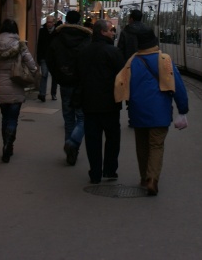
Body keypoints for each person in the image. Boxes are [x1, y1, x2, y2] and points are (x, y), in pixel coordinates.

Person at [115, 26, 188, 196]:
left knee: (141, 146)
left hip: (137, 111)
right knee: (156, 145)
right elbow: (177, 86)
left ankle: (143, 176)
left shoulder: (131, 62)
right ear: (154, 42)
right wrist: (183, 109)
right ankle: (152, 179)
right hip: (159, 111)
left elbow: (122, 84)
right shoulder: (164, 60)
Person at [76, 19, 125, 184]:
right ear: (103, 32)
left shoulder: (83, 51)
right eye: (111, 30)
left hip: (89, 103)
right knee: (112, 138)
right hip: (110, 103)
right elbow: (122, 76)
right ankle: (110, 170)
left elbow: (78, 75)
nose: (113, 32)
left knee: (92, 140)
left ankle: (95, 173)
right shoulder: (113, 51)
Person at [0, 19, 39, 163]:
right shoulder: (20, 45)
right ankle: (9, 142)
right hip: (16, 84)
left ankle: (5, 144)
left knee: (5, 117)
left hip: (0, 85)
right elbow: (32, 64)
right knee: (13, 118)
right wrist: (31, 74)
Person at [46, 9, 91, 165]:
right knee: (82, 117)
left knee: (68, 117)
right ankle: (73, 143)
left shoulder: (57, 37)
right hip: (80, 84)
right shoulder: (86, 38)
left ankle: (70, 152)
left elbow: (50, 59)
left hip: (64, 82)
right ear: (79, 21)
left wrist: (58, 77)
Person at [36, 16, 58, 102]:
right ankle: (42, 94)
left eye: (51, 22)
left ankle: (53, 93)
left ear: (53, 23)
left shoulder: (57, 32)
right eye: (48, 22)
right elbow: (39, 45)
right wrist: (39, 57)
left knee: (54, 76)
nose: (49, 24)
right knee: (44, 74)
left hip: (54, 58)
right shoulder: (42, 31)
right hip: (44, 57)